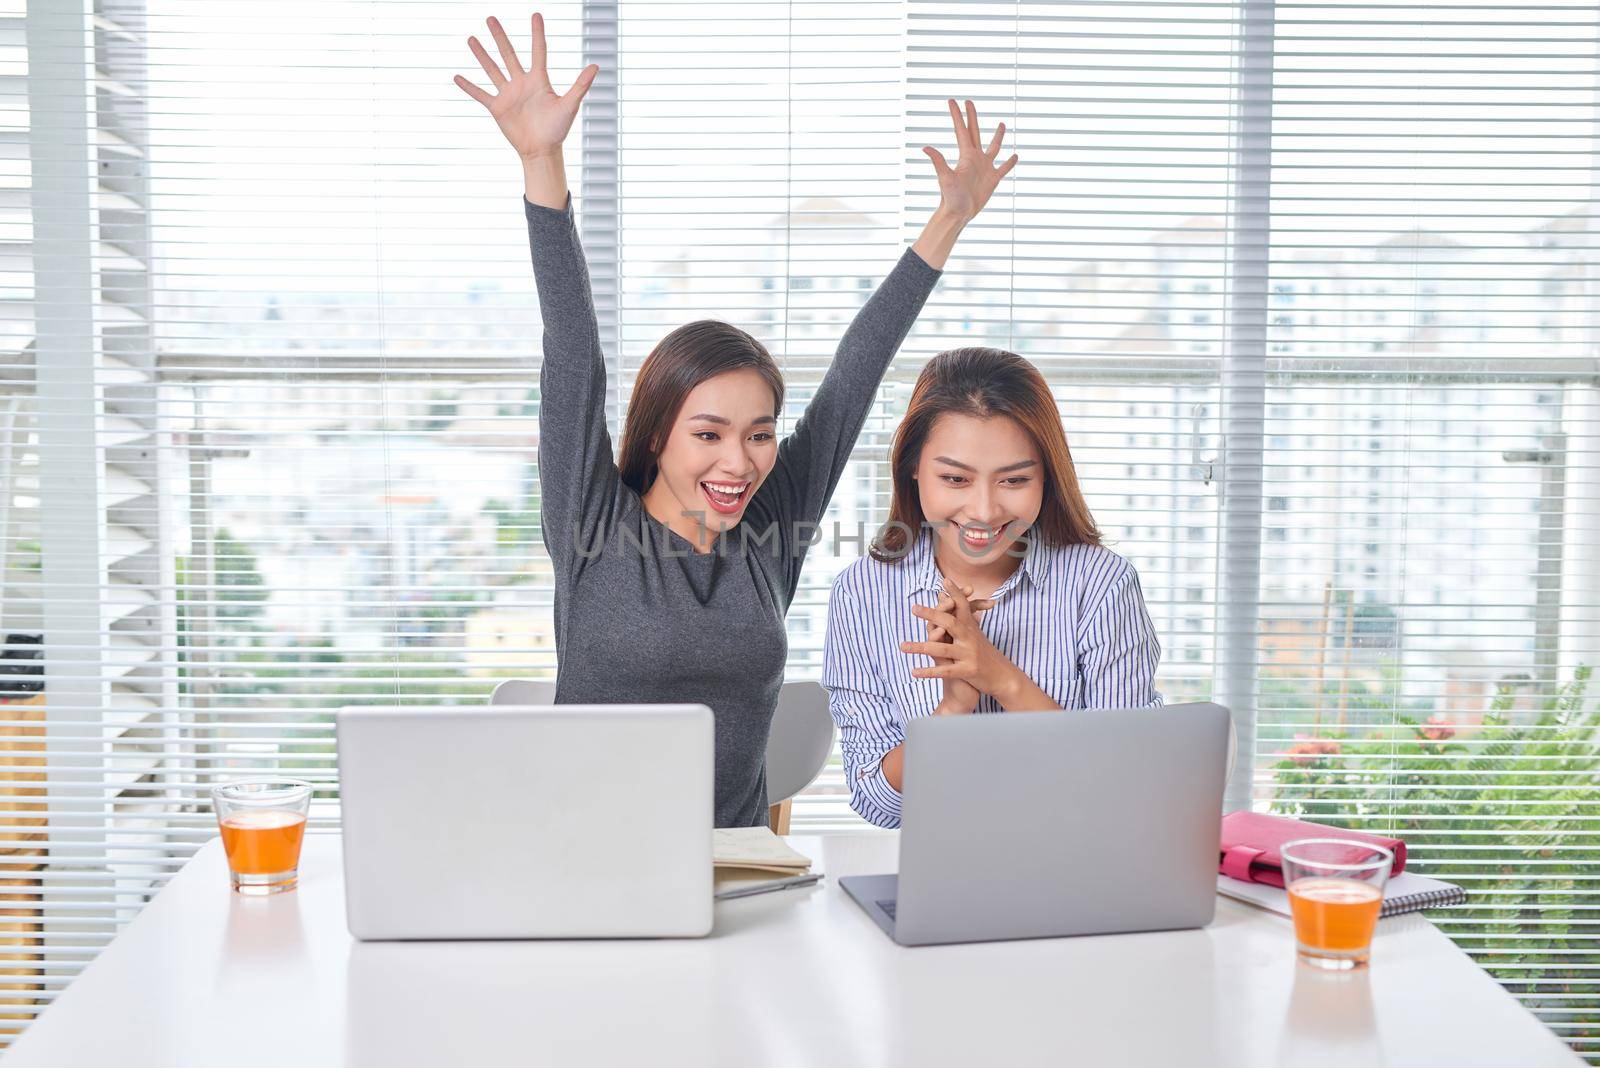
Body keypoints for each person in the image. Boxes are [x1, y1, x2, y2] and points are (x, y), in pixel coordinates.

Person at [454, 13, 1017, 826]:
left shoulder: (768, 536)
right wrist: (542, 161)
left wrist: (949, 220)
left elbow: (851, 379)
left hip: (738, 874)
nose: (741, 462)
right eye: (709, 433)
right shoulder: (590, 522)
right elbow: (573, 349)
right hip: (583, 863)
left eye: (759, 434)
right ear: (656, 436)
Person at [821, 347, 1163, 828]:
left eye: (1014, 480)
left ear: (1048, 475)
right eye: (955, 478)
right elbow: (879, 805)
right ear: (913, 468)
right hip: (937, 872)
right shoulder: (862, 593)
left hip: (1082, 867)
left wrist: (1001, 679)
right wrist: (952, 709)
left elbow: (1124, 786)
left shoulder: (1101, 585)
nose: (983, 511)